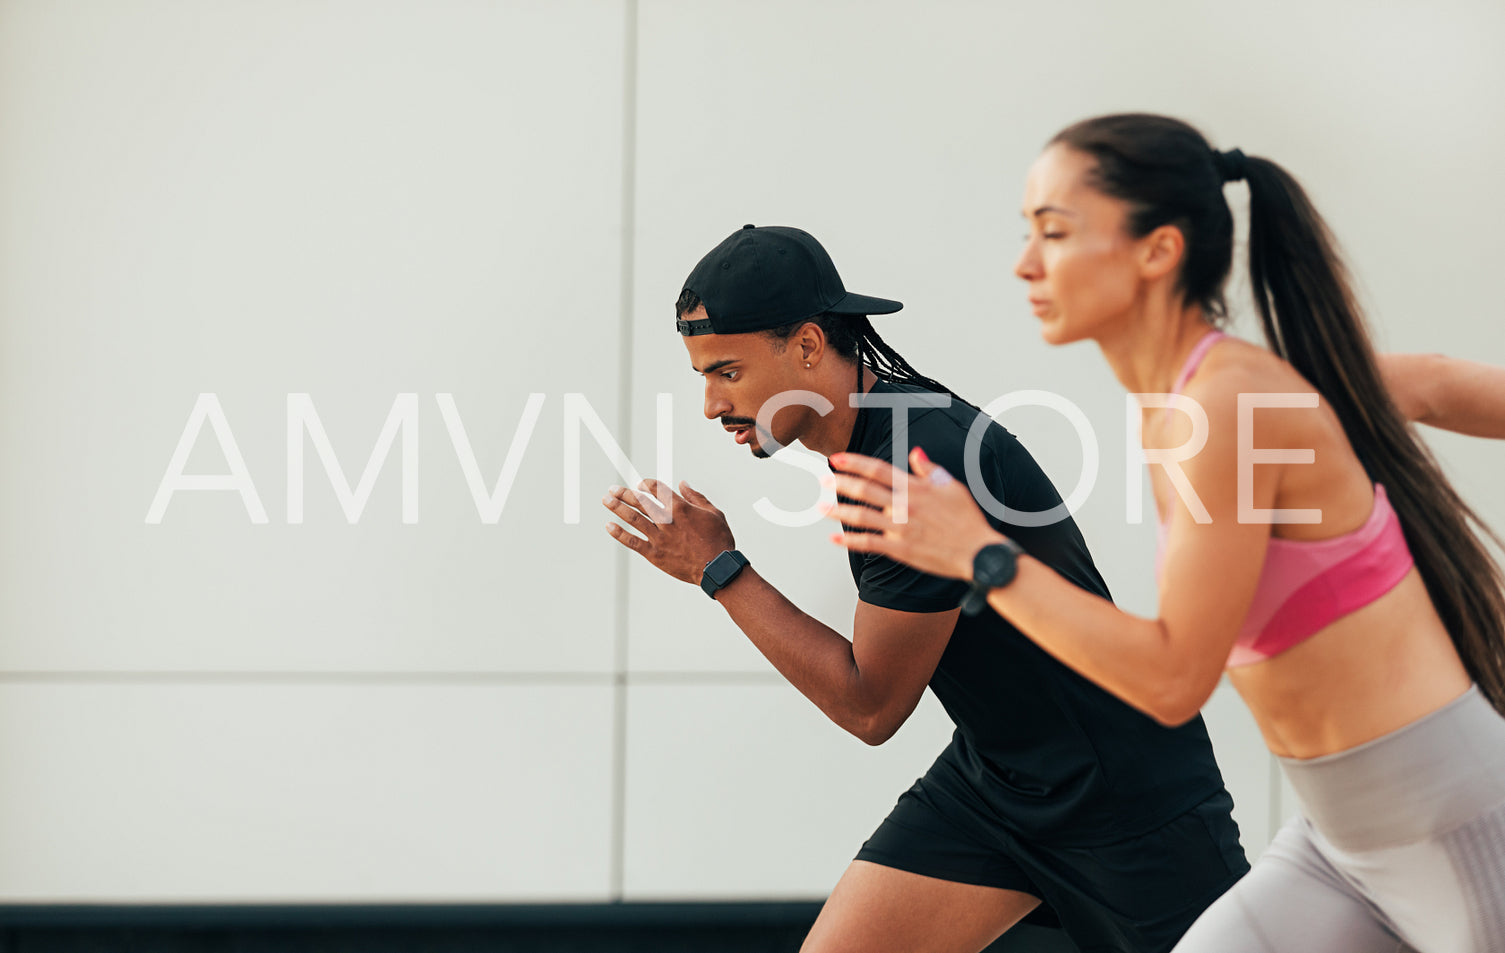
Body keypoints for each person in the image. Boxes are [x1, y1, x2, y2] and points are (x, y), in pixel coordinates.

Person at [823, 114, 1505, 952]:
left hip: (1457, 834)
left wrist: (978, 554)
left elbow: (1173, 675)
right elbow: (1429, 385)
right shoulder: (1206, 396)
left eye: (1055, 231)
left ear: (1157, 251)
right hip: (1341, 848)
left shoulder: (1225, 407)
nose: (1024, 263)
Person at [603, 223, 1248, 953]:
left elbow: (871, 705)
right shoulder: (871, 440)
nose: (712, 405)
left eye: (726, 371)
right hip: (997, 782)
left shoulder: (916, 458)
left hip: (1125, 798)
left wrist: (717, 569)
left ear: (809, 346)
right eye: (703, 377)